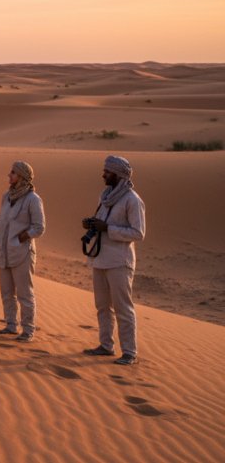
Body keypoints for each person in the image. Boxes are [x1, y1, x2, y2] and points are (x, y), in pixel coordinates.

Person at [81, 156, 145, 366]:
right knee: (102, 306)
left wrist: (108, 229)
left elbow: (138, 233)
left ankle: (129, 352)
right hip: (100, 258)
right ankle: (105, 346)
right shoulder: (105, 196)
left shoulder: (132, 200)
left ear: (118, 175)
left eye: (107, 172)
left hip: (119, 261)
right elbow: (103, 220)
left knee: (123, 308)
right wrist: (91, 223)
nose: (103, 175)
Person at [0, 162, 46, 342]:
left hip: (22, 253)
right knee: (6, 292)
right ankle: (10, 325)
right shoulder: (6, 196)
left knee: (24, 293)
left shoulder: (32, 199)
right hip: (3, 252)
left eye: (13, 172)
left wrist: (22, 238)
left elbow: (39, 227)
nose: (9, 175)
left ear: (22, 176)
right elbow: (5, 221)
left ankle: (28, 329)